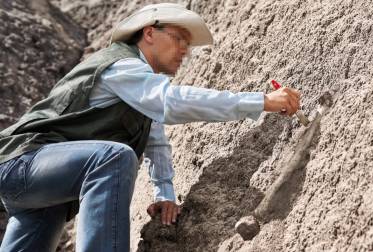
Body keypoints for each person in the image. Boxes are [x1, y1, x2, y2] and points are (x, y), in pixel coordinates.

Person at [0, 3, 300, 252]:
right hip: (22, 163)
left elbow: (155, 141)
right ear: (149, 33)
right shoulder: (122, 66)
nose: (185, 50)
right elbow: (170, 102)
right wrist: (261, 101)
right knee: (112, 157)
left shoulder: (140, 90)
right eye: (179, 38)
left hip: (43, 189)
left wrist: (164, 193)